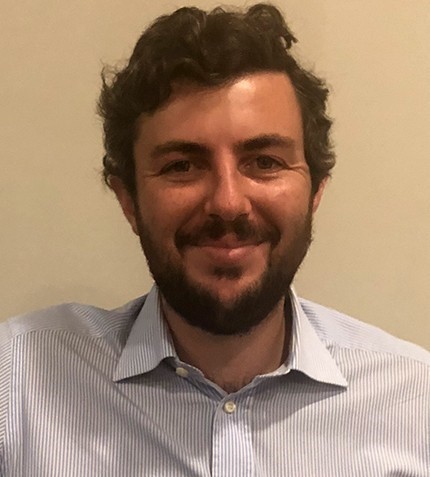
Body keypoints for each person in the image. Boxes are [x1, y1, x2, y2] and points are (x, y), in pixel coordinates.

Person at [0, 3, 428, 476]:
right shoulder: (17, 384)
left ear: (315, 192)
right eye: (182, 166)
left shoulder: (415, 402)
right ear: (128, 200)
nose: (228, 203)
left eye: (264, 162)